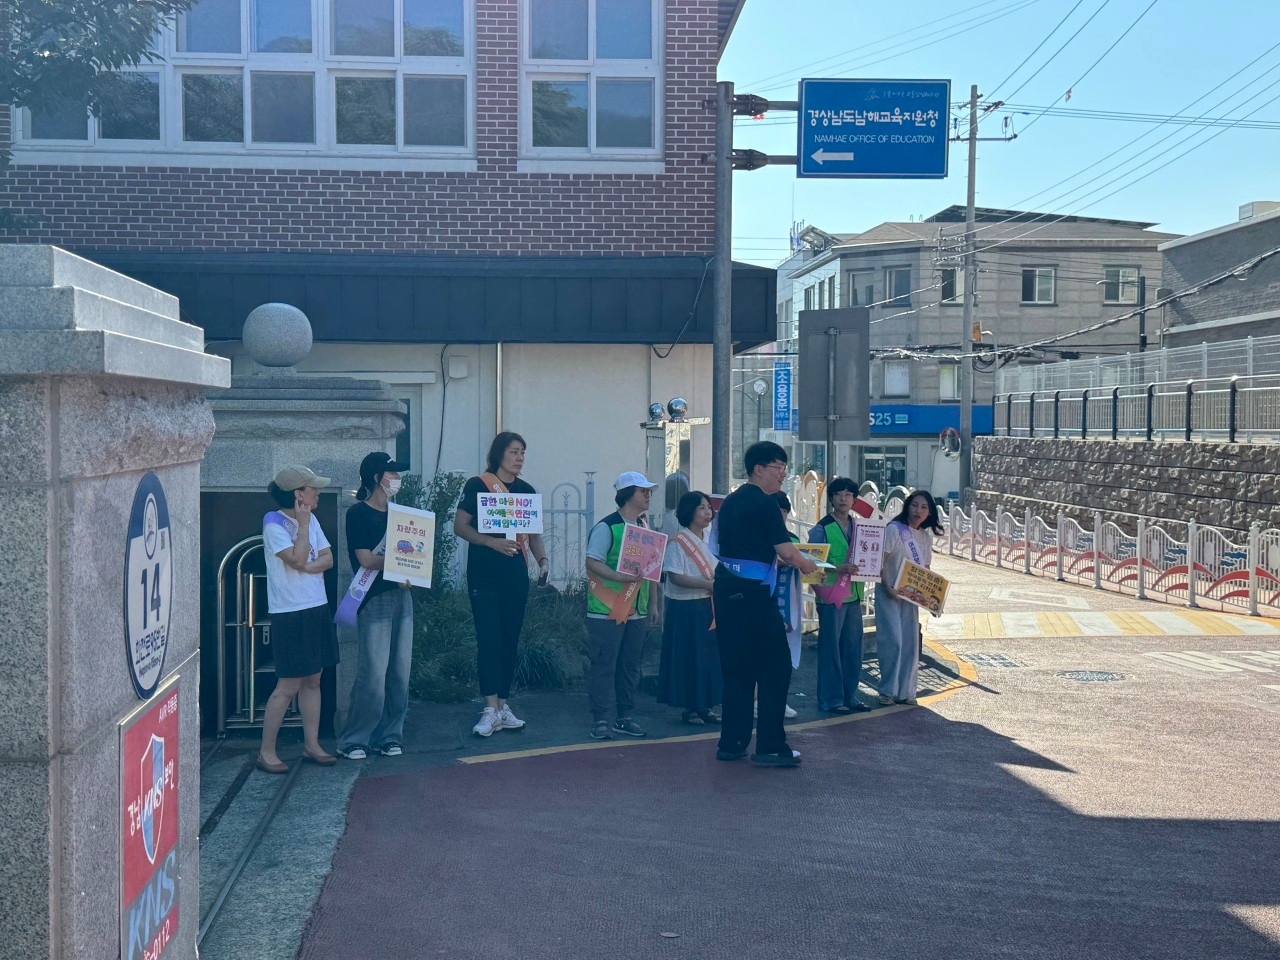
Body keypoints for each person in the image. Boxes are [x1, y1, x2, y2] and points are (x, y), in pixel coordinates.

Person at [713, 442, 817, 768]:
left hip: (726, 589)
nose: (783, 474)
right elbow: (786, 551)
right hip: (754, 595)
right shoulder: (765, 503)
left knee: (737, 670)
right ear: (758, 469)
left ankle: (732, 743)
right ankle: (771, 745)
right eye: (778, 468)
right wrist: (807, 564)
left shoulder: (731, 502)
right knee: (776, 667)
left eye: (784, 468)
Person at [454, 432, 549, 737]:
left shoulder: (526, 490)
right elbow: (460, 526)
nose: (519, 458)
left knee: (509, 637)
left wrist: (543, 561)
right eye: (513, 452)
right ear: (499, 454)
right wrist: (490, 542)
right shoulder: (478, 485)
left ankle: (504, 706)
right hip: (484, 573)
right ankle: (489, 707)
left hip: (515, 574)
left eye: (523, 452)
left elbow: (533, 534)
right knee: (488, 638)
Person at [257, 466, 339, 773]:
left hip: (316, 605)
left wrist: (306, 565)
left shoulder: (312, 518)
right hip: (290, 611)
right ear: (298, 494)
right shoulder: (273, 522)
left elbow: (327, 558)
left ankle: (311, 744)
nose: (318, 492)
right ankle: (266, 751)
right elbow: (298, 557)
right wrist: (303, 529)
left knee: (314, 679)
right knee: (288, 684)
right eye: (312, 488)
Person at [337, 452, 413, 760]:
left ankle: (390, 735)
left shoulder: (401, 515)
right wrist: (400, 564)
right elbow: (366, 559)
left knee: (400, 671)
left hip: (402, 597)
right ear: (376, 478)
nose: (397, 479)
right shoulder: (357, 514)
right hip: (374, 598)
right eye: (391, 474)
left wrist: (411, 570)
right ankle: (354, 738)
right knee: (373, 672)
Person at [584, 471, 658, 741]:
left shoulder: (645, 529)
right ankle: (601, 719)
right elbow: (592, 561)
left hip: (636, 610)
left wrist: (653, 604)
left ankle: (624, 717)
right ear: (627, 495)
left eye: (649, 492)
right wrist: (620, 577)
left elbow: (652, 571)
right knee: (604, 664)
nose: (648, 496)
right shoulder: (607, 527)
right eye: (643, 491)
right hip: (606, 609)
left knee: (630, 665)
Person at [656, 491, 721, 725]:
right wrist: (707, 585)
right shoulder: (679, 541)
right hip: (686, 608)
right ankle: (691, 708)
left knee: (708, 658)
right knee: (689, 658)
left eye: (709, 507)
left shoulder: (710, 540)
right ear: (689, 512)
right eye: (702, 508)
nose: (707, 512)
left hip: (708, 605)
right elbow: (674, 576)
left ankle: (705, 705)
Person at [808, 477, 871, 714]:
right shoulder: (821, 528)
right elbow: (811, 563)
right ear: (831, 499)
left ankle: (849, 696)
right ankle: (830, 700)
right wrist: (838, 568)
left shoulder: (861, 528)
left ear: (854, 499)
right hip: (831, 596)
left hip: (854, 595)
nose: (843, 499)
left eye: (848, 494)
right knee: (831, 650)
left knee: (853, 649)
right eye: (838, 494)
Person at [876, 489, 944, 706]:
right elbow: (879, 561)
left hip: (910, 597)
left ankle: (906, 692)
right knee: (893, 641)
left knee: (910, 644)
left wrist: (934, 601)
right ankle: (887, 690)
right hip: (889, 593)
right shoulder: (894, 530)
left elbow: (926, 572)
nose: (918, 511)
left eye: (924, 507)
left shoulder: (924, 537)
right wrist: (887, 586)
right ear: (907, 506)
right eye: (915, 505)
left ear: (930, 512)